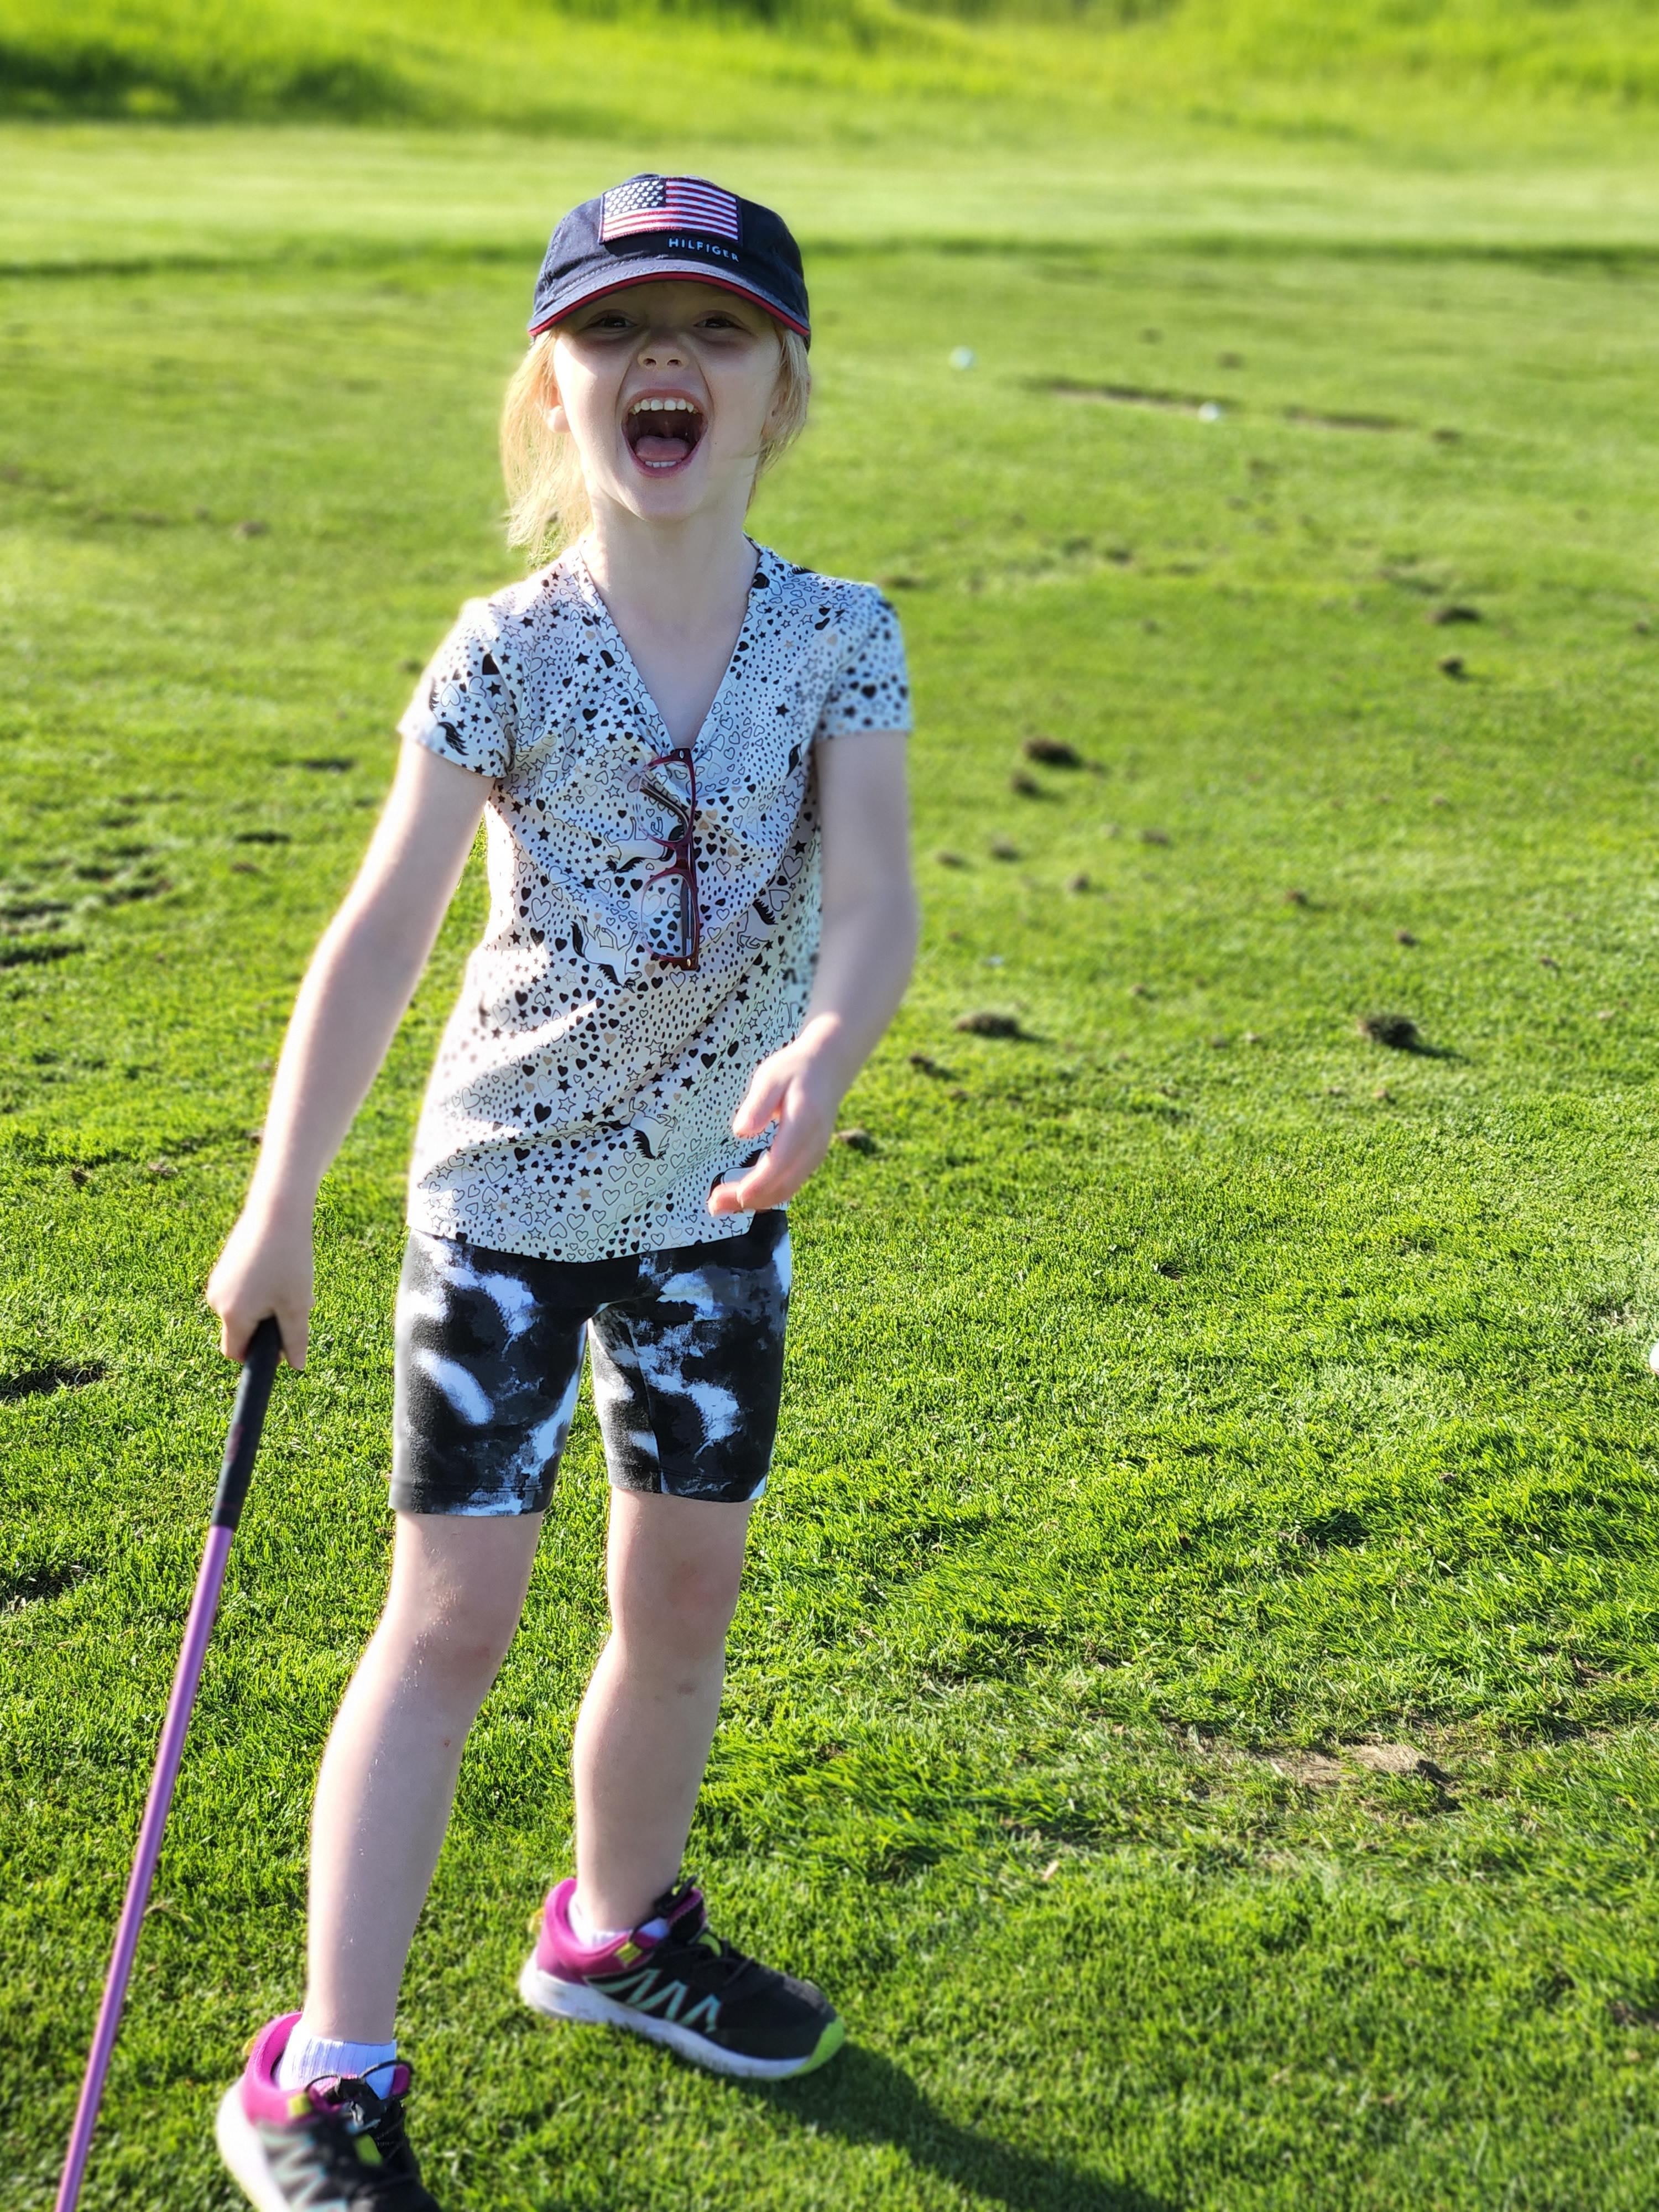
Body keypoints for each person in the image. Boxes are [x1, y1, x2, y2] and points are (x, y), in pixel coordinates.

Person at [205, 175, 916, 2212]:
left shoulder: (843, 639)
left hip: (712, 1206)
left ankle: (614, 1934)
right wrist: (282, 1208)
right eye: (611, 330)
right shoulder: (502, 653)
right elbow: (376, 938)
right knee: (455, 1614)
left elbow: (872, 896)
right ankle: (323, 2073)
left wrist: (836, 1041)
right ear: (552, 389)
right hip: (507, 1200)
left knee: (681, 1592)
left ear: (784, 386)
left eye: (712, 327)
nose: (660, 360)